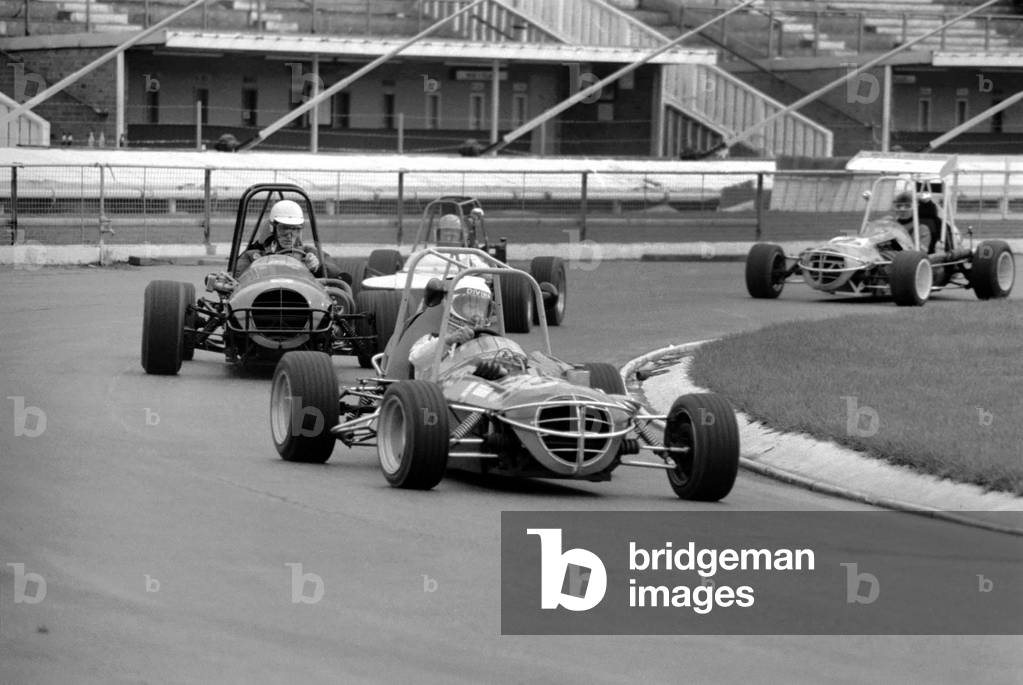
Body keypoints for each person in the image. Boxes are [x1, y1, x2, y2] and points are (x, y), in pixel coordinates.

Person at [408, 276, 516, 381]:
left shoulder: (486, 340)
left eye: (480, 308)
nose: (476, 314)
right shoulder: (433, 338)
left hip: (485, 388)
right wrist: (449, 341)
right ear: (456, 305)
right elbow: (416, 359)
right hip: (442, 390)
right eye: (471, 306)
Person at [235, 199, 321, 275]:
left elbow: (333, 273)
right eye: (284, 229)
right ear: (273, 228)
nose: (289, 236)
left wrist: (317, 267)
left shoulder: (309, 252)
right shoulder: (252, 255)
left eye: (295, 229)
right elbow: (237, 280)